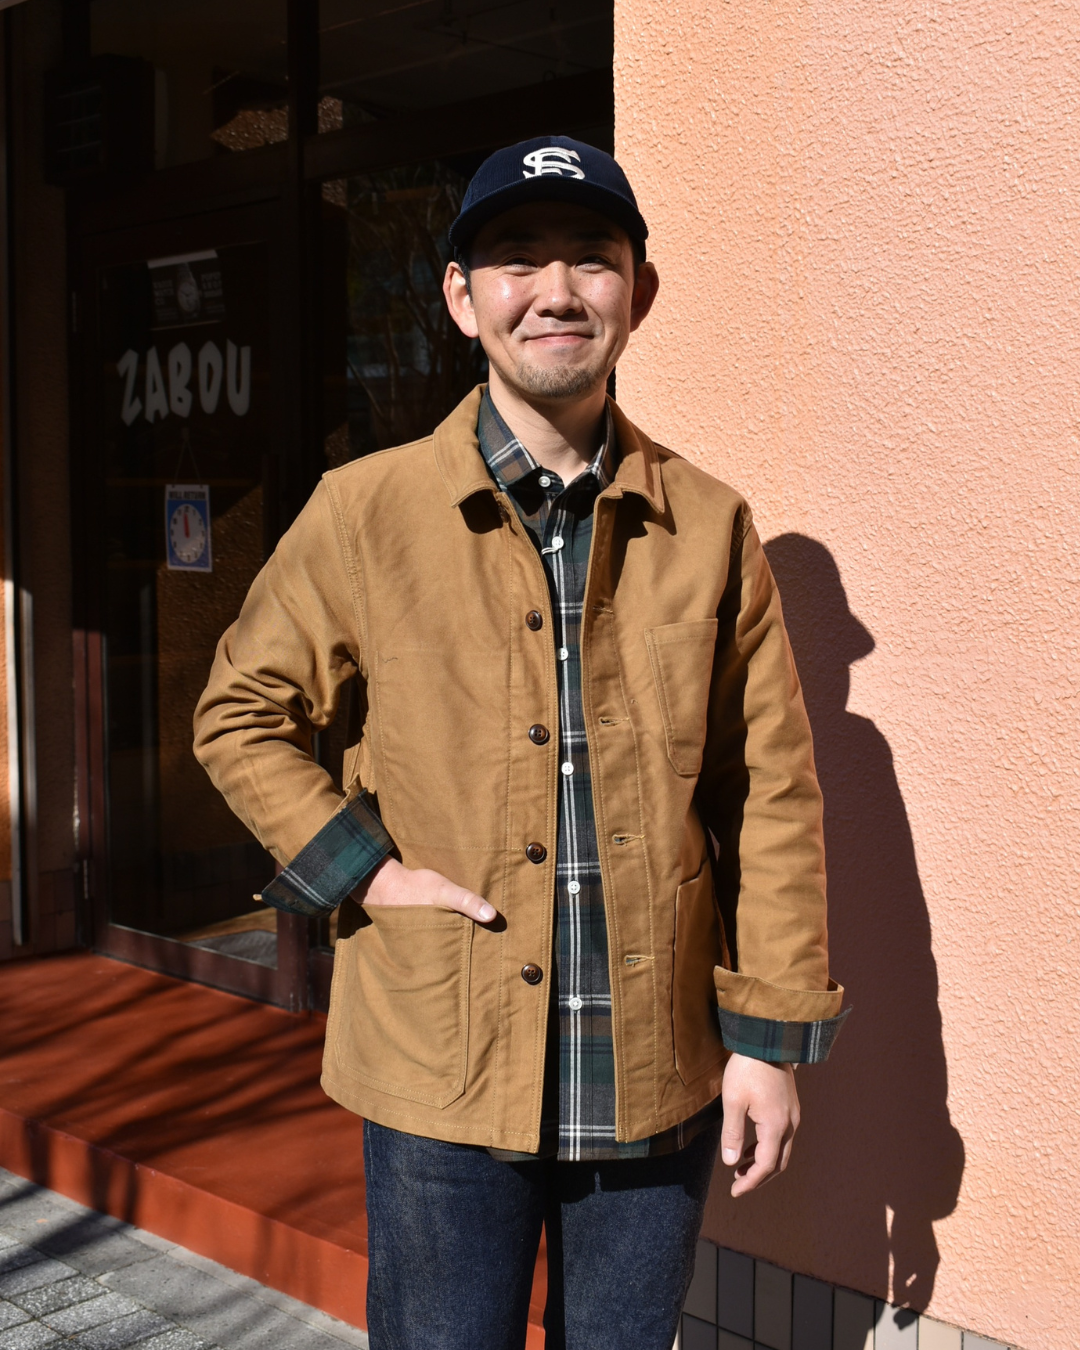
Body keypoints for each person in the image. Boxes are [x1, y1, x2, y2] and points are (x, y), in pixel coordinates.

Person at [193, 135, 848, 1350]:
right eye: (515, 259)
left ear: (638, 292)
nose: (556, 290)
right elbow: (240, 712)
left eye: (592, 257)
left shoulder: (708, 526)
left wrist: (769, 1042)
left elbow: (767, 792)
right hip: (441, 1063)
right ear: (461, 297)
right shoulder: (367, 513)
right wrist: (365, 873)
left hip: (652, 1065)